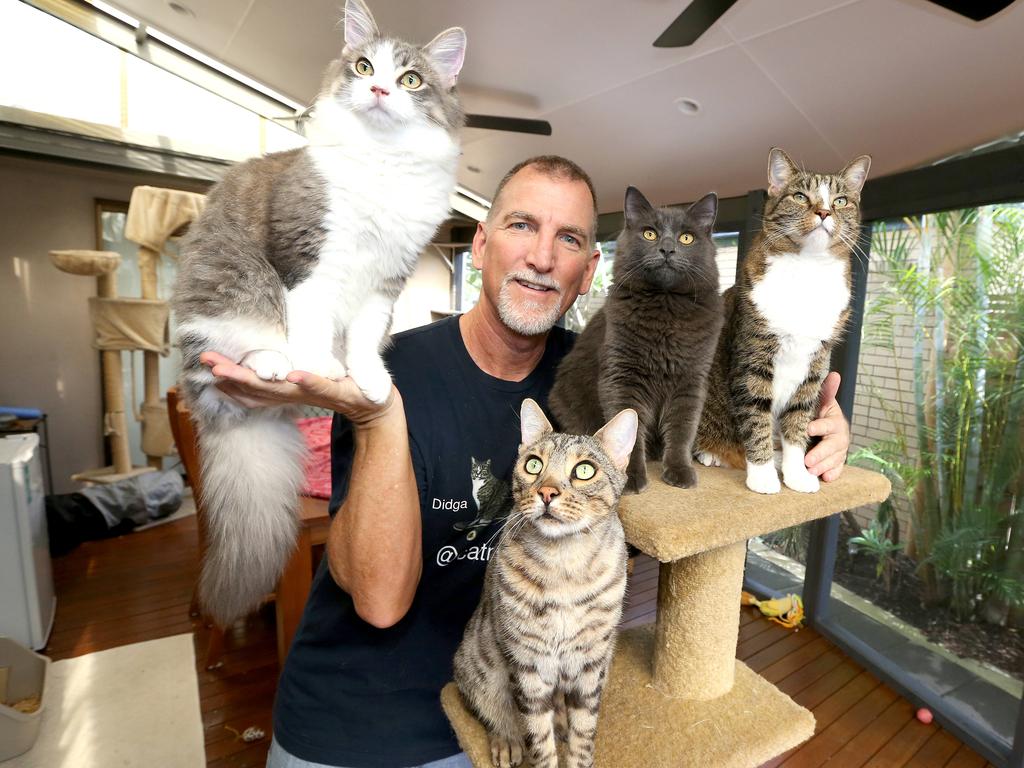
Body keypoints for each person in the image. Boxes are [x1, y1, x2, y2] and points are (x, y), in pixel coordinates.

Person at [201, 156, 852, 768]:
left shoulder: (610, 377)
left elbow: (718, 411)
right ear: (482, 245)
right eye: (521, 226)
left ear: (589, 269)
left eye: (568, 240)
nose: (541, 257)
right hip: (365, 721)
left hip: (536, 698)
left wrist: (813, 427)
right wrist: (377, 418)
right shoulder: (389, 369)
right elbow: (376, 600)